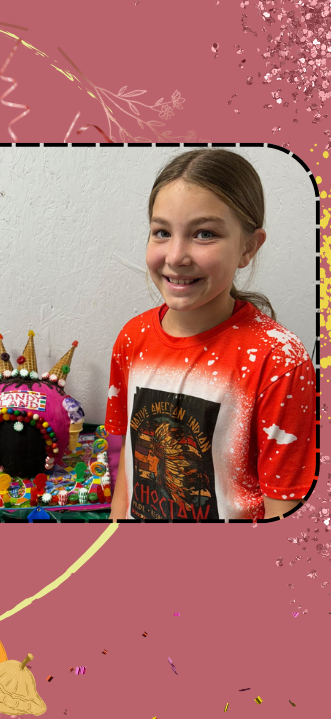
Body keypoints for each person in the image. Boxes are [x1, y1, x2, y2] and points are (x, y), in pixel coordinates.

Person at [106, 149, 316, 522]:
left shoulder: (279, 359)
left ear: (248, 247)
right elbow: (128, 465)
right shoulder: (132, 337)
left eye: (205, 234)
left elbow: (284, 510)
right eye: (162, 232)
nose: (176, 255)